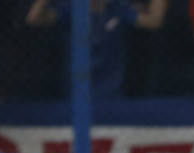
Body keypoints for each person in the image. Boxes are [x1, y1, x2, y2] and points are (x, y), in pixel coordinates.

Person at [26, 0, 167, 101]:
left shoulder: (118, 9)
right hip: (74, 93)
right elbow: (34, 18)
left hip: (111, 93)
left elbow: (154, 21)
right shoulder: (71, 8)